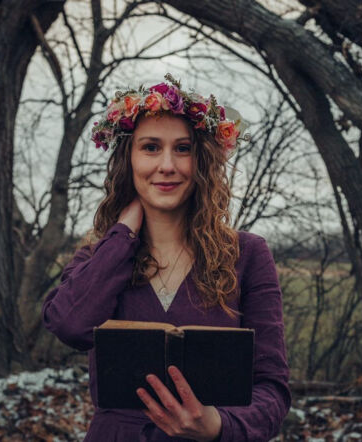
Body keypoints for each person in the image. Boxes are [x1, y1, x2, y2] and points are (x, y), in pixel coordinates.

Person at [42, 74, 291, 441]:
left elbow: (273, 389)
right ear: (128, 158)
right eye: (151, 147)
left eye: (183, 148)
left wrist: (217, 425)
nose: (167, 165)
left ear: (203, 160)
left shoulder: (248, 255)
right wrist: (123, 236)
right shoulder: (99, 256)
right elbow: (68, 326)